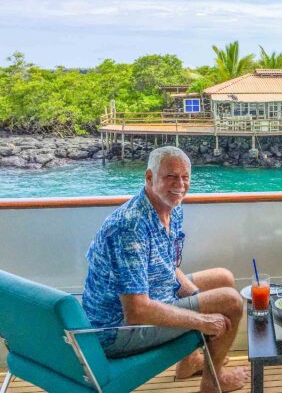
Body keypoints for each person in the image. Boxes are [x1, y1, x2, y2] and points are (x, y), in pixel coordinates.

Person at [82, 146, 248, 392]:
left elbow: (168, 266)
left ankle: (189, 362)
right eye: (170, 176)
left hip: (155, 297)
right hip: (116, 331)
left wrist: (196, 298)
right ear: (149, 178)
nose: (179, 184)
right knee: (231, 302)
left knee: (223, 278)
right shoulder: (130, 227)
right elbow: (136, 312)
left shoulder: (171, 208)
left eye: (185, 177)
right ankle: (213, 383)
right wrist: (201, 320)